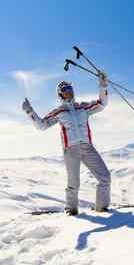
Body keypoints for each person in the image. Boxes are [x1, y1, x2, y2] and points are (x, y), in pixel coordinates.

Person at [22, 72, 111, 216]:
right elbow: (42, 126)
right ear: (60, 94)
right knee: (73, 182)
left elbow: (102, 104)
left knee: (105, 177)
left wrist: (103, 85)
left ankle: (102, 208)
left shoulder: (82, 107)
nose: (68, 91)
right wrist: (29, 111)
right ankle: (71, 209)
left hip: (88, 147)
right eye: (64, 90)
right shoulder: (58, 111)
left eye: (69, 89)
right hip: (71, 150)